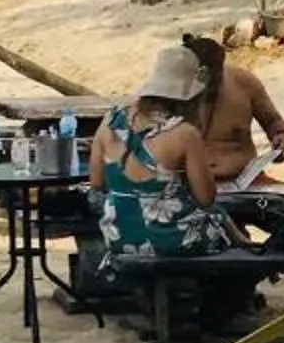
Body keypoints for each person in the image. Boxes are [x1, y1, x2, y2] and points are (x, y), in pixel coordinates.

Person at [88, 46, 234, 258]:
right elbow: (206, 198)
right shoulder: (185, 134)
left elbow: (96, 182)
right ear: (190, 97)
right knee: (223, 227)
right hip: (172, 241)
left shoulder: (109, 122)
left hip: (119, 239)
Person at [183, 32, 284, 190]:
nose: (208, 83)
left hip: (245, 181)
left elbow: (273, 122)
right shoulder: (169, 93)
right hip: (189, 186)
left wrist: (281, 138)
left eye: (213, 76)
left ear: (221, 67)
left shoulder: (245, 83)